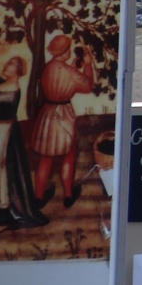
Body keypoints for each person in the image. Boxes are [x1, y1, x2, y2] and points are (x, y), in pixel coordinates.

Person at [0, 55, 47, 228]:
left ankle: (1, 210)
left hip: (4, 134)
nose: (6, 65)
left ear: (18, 71)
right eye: (8, 62)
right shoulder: (4, 84)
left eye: (11, 64)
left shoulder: (12, 90)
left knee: (0, 170)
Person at [31, 35, 94, 209]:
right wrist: (88, 65)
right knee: (68, 154)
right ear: (63, 51)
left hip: (47, 114)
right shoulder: (69, 72)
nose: (70, 51)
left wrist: (72, 68)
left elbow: (61, 79)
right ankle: (68, 195)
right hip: (63, 115)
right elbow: (88, 86)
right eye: (68, 49)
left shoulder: (48, 68)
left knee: (46, 157)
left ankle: (38, 197)